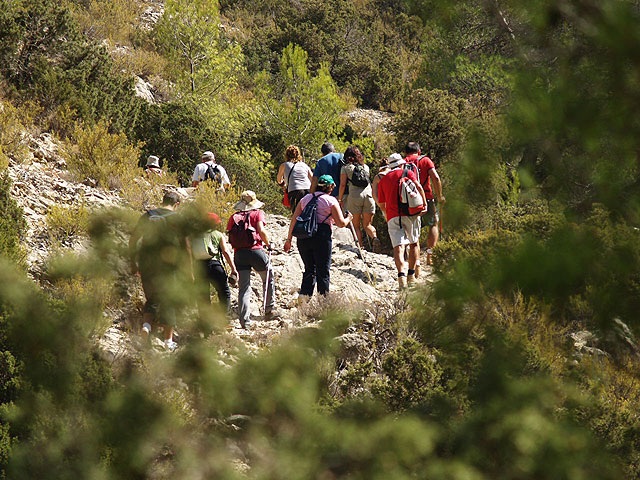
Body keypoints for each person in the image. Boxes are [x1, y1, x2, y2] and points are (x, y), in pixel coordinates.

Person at [129, 192, 186, 350]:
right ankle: (168, 341)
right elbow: (185, 246)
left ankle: (146, 326)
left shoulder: (148, 216)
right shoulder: (177, 219)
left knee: (152, 297)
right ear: (177, 204)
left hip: (147, 263)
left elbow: (133, 240)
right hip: (169, 264)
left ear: (163, 201)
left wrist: (133, 263)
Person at [284, 175, 353, 301]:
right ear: (331, 187)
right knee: (323, 269)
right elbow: (341, 223)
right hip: (322, 236)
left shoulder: (306, 198)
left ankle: (304, 296)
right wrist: (349, 218)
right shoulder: (331, 201)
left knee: (309, 268)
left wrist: (289, 240)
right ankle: (324, 301)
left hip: (303, 236)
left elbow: (294, 219)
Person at [227, 191, 276, 328]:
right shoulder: (257, 213)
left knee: (244, 287)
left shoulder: (234, 217)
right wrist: (268, 244)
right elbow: (261, 230)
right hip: (256, 252)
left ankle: (244, 320)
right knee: (268, 277)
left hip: (239, 254)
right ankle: (269, 309)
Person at [377, 154, 427, 289]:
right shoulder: (408, 172)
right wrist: (424, 204)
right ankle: (411, 276)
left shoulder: (383, 179)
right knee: (414, 243)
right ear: (401, 164)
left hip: (393, 216)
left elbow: (381, 203)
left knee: (398, 247)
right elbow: (418, 187)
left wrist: (388, 215)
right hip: (411, 213)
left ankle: (401, 279)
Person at [404, 142, 445, 268]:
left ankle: (410, 258)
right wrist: (439, 196)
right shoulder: (425, 160)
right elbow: (436, 178)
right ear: (419, 151)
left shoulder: (402, 162)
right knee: (433, 224)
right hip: (426, 198)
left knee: (409, 229)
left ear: (405, 153)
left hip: (408, 200)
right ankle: (430, 256)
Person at [190, 212, 238, 313]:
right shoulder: (218, 234)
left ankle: (205, 323)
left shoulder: (194, 235)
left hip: (199, 267)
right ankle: (225, 320)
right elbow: (225, 252)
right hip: (214, 265)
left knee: (203, 296)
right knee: (224, 292)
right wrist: (233, 269)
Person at [337, 145, 380, 252]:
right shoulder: (366, 167)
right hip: (369, 196)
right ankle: (375, 238)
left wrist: (340, 199)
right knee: (367, 225)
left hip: (354, 197)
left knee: (356, 226)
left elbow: (342, 185)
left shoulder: (346, 168)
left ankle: (359, 248)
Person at [277, 145, 313, 213]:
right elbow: (312, 179)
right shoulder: (304, 165)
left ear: (286, 155)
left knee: (297, 213)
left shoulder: (284, 165)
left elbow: (279, 180)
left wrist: (283, 183)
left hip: (294, 190)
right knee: (307, 212)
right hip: (307, 190)